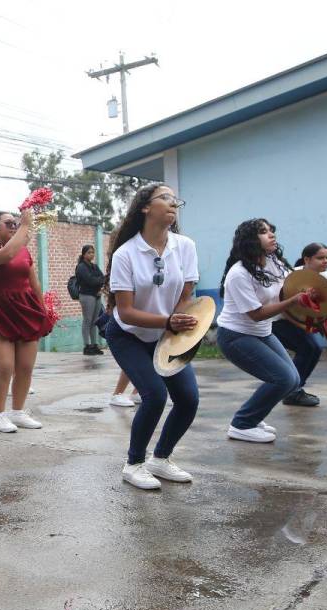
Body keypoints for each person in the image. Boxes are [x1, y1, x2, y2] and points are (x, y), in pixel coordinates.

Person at [105, 184, 200, 490]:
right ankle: (133, 464)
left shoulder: (184, 246)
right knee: (155, 395)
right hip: (128, 335)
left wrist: (177, 322)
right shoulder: (126, 254)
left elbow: (186, 295)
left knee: (188, 399)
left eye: (176, 200)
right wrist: (168, 320)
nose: (173, 204)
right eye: (165, 198)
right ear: (145, 207)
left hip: (166, 334)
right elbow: (127, 311)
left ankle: (160, 458)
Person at [217, 218, 306, 443]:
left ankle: (253, 418)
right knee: (283, 378)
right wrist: (294, 301)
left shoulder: (273, 263)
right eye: (264, 232)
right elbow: (256, 314)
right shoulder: (239, 274)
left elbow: (292, 286)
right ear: (250, 240)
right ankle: (242, 424)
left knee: (293, 380)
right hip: (236, 336)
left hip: (262, 332)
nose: (271, 235)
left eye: (271, 230)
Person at [0, 210, 51, 433]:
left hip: (26, 310)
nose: (14, 226)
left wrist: (43, 310)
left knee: (25, 367)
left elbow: (34, 283)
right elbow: (6, 255)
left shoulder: (24, 251)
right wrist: (26, 224)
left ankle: (18, 412)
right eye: (8, 223)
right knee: (5, 367)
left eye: (15, 223)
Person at [270, 242, 327, 406]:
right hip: (278, 320)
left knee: (313, 349)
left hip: (299, 321)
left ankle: (294, 389)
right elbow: (284, 307)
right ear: (307, 259)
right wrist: (305, 327)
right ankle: (292, 391)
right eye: (320, 258)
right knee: (308, 348)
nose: (325, 261)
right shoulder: (291, 275)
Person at [75, 244, 106, 355]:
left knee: (94, 321)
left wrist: (98, 280)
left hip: (97, 295)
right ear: (84, 254)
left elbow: (103, 278)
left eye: (93, 252)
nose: (91, 254)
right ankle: (86, 346)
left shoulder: (94, 266)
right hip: (87, 296)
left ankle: (94, 345)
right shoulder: (81, 267)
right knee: (87, 320)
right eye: (89, 252)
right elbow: (90, 281)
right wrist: (98, 280)